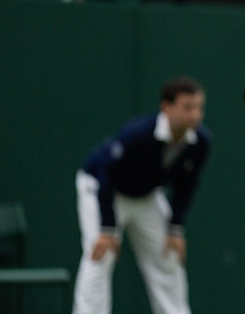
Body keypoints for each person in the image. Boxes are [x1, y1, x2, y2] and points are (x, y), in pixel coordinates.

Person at [72, 77, 210, 314]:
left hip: (145, 196)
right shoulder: (137, 134)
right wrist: (107, 229)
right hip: (102, 189)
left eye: (199, 107)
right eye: (188, 107)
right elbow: (107, 177)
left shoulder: (201, 141)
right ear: (167, 107)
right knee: (100, 257)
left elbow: (188, 184)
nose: (195, 115)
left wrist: (175, 227)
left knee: (169, 257)